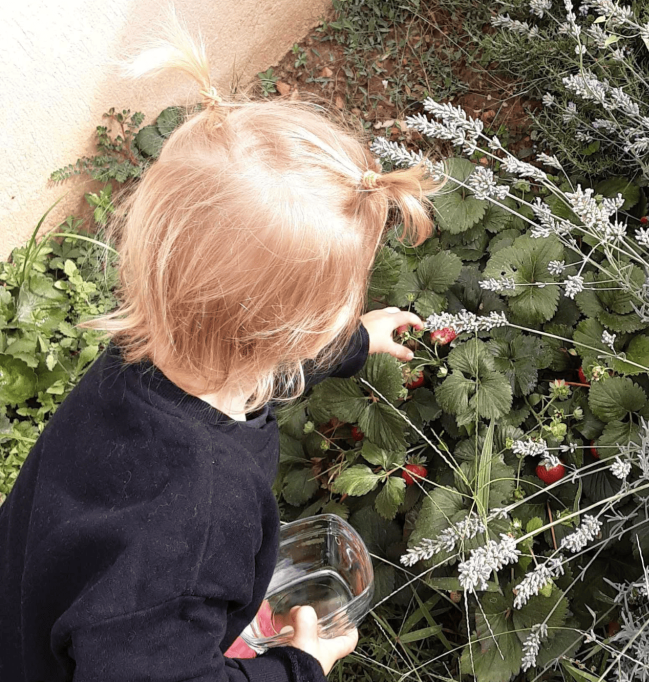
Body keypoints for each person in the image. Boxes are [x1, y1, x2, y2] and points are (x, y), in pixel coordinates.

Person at [0, 10, 439, 682]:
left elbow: (261, 365)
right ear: (293, 333)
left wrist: (354, 343)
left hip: (35, 594)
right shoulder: (199, 518)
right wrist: (298, 665)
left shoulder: (145, 348)